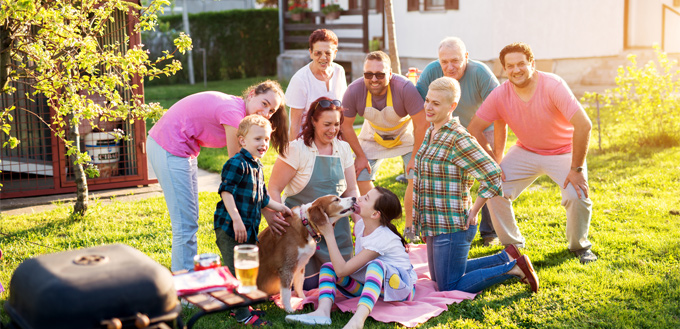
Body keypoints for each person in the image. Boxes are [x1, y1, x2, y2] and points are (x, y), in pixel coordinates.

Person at [468, 42, 596, 264]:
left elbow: (583, 125)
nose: (516, 70)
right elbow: (474, 129)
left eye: (521, 64)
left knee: (577, 195)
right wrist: (492, 164)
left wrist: (576, 169)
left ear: (532, 64)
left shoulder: (553, 85)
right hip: (526, 150)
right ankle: (512, 246)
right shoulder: (500, 94)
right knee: (494, 186)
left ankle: (579, 246)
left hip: (564, 151)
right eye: (510, 66)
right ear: (504, 69)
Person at [147, 80, 289, 272]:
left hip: (183, 150)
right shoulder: (234, 115)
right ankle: (185, 286)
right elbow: (242, 170)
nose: (265, 113)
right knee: (184, 224)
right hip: (169, 145)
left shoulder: (241, 114)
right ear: (252, 94)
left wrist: (269, 209)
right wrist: (267, 213)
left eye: (271, 111)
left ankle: (188, 279)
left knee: (189, 221)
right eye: (264, 103)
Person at [413, 77, 538, 293]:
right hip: (435, 221)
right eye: (427, 100)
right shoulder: (431, 131)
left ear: (452, 106)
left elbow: (493, 174)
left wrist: (475, 209)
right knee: (439, 277)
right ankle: (506, 256)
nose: (428, 107)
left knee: (448, 285)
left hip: (453, 224)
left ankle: (514, 269)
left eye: (436, 103)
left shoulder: (458, 138)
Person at [285, 187, 417, 329]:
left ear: (375, 214)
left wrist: (329, 235)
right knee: (329, 267)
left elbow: (342, 271)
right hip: (373, 288)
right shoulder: (361, 225)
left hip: (400, 289)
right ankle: (322, 312)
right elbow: (338, 269)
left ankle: (357, 321)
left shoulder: (382, 238)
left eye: (365, 198)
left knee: (375, 266)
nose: (359, 198)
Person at [415, 36, 501, 247]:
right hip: (444, 130)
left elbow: (500, 111)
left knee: (488, 172)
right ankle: (434, 226)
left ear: (466, 57)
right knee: (449, 179)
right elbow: (417, 103)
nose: (449, 66)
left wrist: (497, 154)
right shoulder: (431, 71)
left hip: (481, 129)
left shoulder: (480, 72)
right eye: (444, 62)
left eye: (455, 61)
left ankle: (488, 232)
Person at [267, 97, 359, 289]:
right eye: (327, 124)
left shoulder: (343, 148)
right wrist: (279, 221)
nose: (333, 130)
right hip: (301, 233)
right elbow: (274, 188)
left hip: (336, 232)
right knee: (308, 285)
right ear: (313, 122)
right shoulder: (296, 149)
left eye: (336, 124)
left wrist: (360, 224)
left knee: (342, 282)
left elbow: (351, 190)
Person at [213, 115, 292, 327]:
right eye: (257, 139)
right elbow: (226, 192)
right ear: (242, 140)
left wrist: (281, 207)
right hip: (230, 228)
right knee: (236, 270)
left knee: (246, 269)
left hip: (247, 229)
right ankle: (242, 315)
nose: (263, 144)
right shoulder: (236, 163)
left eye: (266, 139)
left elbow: (263, 198)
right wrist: (236, 220)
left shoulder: (257, 166)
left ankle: (239, 306)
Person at [340, 51, 426, 242]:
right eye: (368, 74)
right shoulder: (354, 90)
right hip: (373, 135)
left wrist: (415, 158)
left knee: (416, 174)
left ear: (390, 73)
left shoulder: (405, 88)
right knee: (360, 175)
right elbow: (345, 125)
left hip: (405, 136)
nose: (374, 79)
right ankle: (380, 225)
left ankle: (411, 228)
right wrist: (360, 156)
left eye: (380, 74)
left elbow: (421, 124)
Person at [285, 29, 347, 141]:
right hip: (307, 140)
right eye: (318, 53)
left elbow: (341, 113)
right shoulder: (300, 80)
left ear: (335, 53)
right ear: (311, 53)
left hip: (333, 136)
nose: (323, 57)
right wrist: (294, 152)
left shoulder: (339, 71)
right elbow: (294, 124)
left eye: (328, 53)